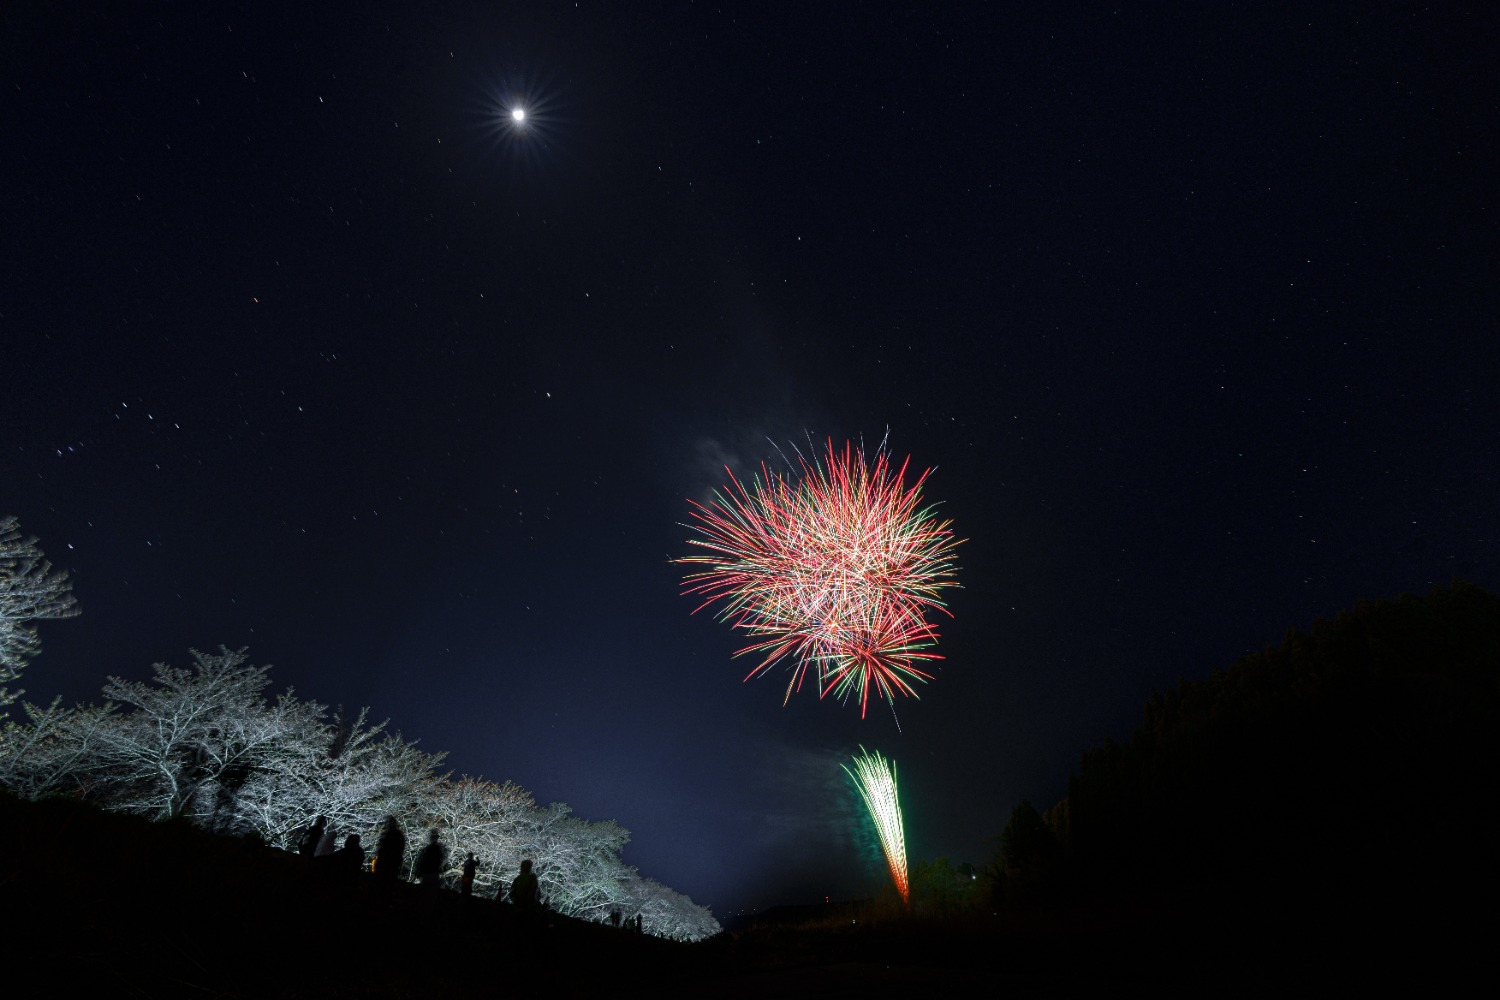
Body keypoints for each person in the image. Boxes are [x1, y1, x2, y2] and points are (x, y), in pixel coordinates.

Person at [373, 816, 407, 883]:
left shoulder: (387, 835)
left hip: (385, 863)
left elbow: (381, 849)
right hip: (393, 863)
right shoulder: (399, 836)